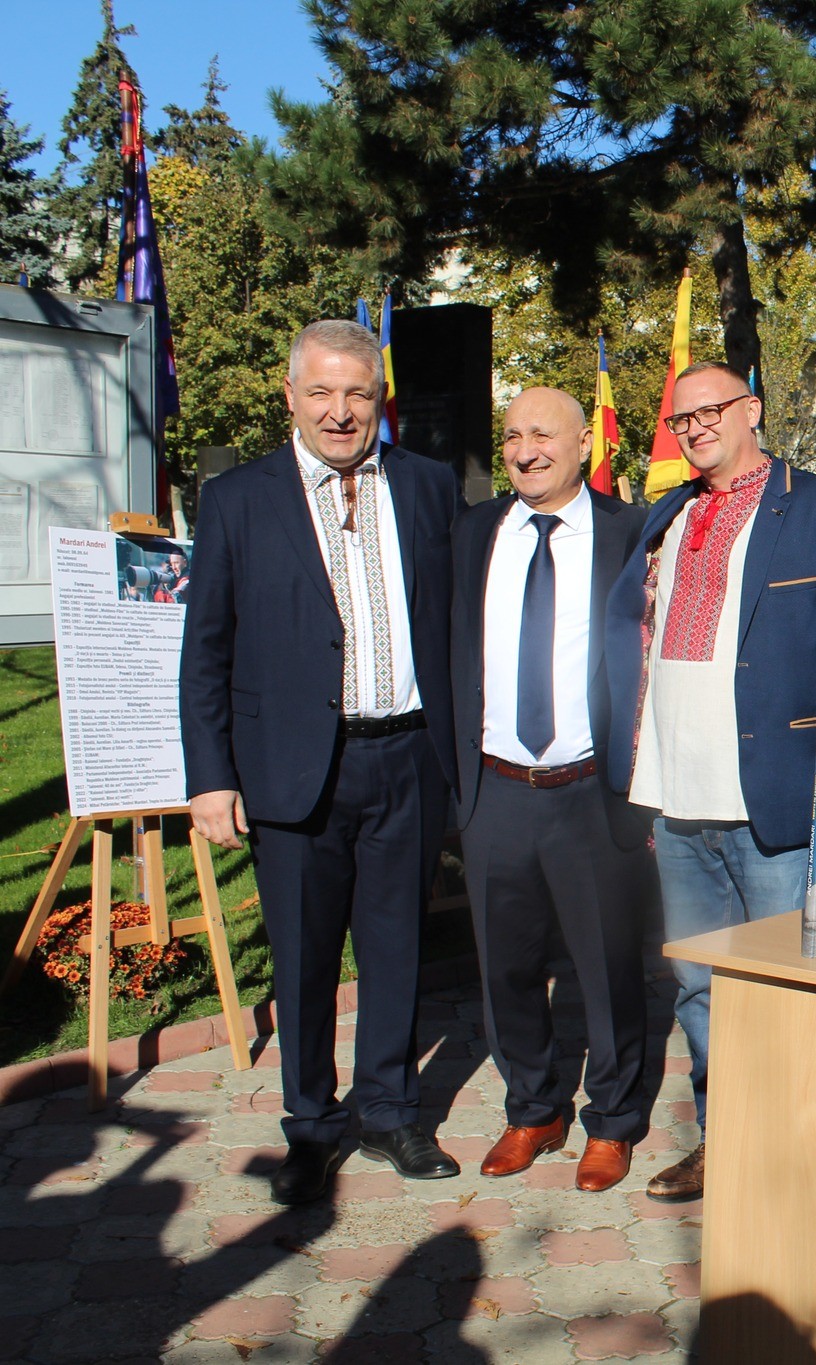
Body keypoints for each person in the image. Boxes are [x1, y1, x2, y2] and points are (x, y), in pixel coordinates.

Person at [180, 319, 463, 1205]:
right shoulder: (238, 499)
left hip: (407, 756)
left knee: (396, 946)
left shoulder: (427, 485)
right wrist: (210, 775)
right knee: (304, 959)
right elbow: (206, 650)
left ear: (380, 397)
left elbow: (453, 617)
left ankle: (390, 1111)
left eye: (357, 393)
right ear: (291, 395)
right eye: (322, 392)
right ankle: (310, 1123)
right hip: (294, 768)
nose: (340, 411)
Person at [604, 360, 816, 1203]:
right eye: (680, 418)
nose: (694, 427)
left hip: (775, 797)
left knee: (791, 985)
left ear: (752, 409)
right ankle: (723, 1142)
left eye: (711, 410)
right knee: (700, 986)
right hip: (677, 799)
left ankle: (806, 1156)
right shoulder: (669, 513)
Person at [451, 387, 650, 1194]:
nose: (525, 450)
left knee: (607, 966)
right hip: (495, 788)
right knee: (505, 966)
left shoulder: (631, 532)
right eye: (511, 436)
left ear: (583, 442)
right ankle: (533, 1107)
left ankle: (614, 1119)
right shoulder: (473, 533)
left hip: (591, 789)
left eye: (543, 433)